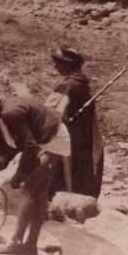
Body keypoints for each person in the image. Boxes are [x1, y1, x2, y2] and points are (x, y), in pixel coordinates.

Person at [0, 86, 70, 255]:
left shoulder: (10, 113)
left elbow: (29, 147)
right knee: (38, 195)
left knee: (30, 188)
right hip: (46, 139)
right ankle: (30, 245)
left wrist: (19, 174)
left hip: (52, 140)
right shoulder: (3, 111)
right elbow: (2, 144)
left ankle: (17, 242)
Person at [47, 46, 104, 198]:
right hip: (83, 135)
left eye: (58, 63)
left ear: (67, 65)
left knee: (65, 168)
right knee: (81, 165)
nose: (56, 67)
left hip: (69, 135)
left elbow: (50, 112)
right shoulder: (82, 84)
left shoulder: (67, 86)